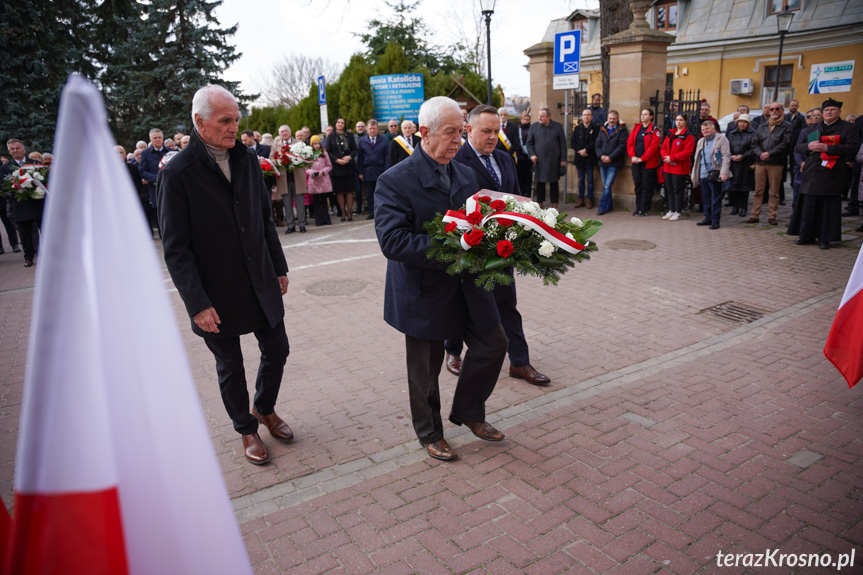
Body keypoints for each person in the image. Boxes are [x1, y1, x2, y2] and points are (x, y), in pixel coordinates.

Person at [158, 84, 292, 466]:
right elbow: (176, 249)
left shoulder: (248, 159)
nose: (234, 127)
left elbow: (264, 220)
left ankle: (265, 407)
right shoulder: (178, 173)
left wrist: (279, 267)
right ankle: (246, 428)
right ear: (199, 122)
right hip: (215, 291)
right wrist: (197, 304)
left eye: (236, 119)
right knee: (230, 366)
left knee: (278, 349)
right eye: (225, 121)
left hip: (259, 279)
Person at [374, 96, 508, 462]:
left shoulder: (465, 174)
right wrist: (454, 247)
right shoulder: (394, 180)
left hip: (468, 283)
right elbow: (393, 240)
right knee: (425, 369)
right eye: (450, 133)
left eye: (461, 133)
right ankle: (430, 432)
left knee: (494, 342)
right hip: (425, 290)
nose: (458, 142)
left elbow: (479, 220)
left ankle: (468, 410)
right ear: (423, 133)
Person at [446, 104, 550, 386]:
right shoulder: (456, 160)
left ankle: (519, 362)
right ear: (468, 130)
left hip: (502, 249)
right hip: (470, 248)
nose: (493, 136)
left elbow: (516, 199)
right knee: (462, 305)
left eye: (497, 130)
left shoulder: (505, 159)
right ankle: (453, 350)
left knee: (507, 305)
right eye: (486, 131)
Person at [787, 98, 861, 249]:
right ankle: (805, 235)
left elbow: (853, 148)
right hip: (811, 173)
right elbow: (798, 147)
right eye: (826, 110)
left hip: (832, 174)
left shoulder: (848, 128)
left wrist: (829, 149)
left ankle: (824, 238)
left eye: (832, 110)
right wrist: (809, 145)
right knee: (808, 206)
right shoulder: (812, 128)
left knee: (827, 208)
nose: (829, 112)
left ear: (839, 112)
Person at [747, 102, 792, 225]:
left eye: (777, 109)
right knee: (758, 190)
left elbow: (785, 143)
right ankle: (754, 215)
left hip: (776, 163)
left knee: (774, 191)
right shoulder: (762, 126)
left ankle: (772, 216)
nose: (774, 111)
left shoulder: (787, 126)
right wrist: (760, 153)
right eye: (772, 109)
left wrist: (770, 153)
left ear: (782, 110)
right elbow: (754, 143)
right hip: (760, 162)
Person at [691, 119, 730, 229]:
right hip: (703, 172)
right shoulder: (701, 141)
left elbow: (726, 156)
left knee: (715, 197)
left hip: (715, 172)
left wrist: (724, 172)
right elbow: (697, 159)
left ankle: (715, 220)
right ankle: (707, 217)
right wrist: (694, 174)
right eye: (703, 129)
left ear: (713, 128)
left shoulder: (721, 138)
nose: (705, 131)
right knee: (706, 198)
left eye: (707, 129)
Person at [526, 108, 567, 209]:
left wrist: (563, 159)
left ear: (548, 117)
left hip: (554, 159)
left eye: (542, 116)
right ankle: (540, 203)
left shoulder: (557, 126)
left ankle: (555, 204)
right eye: (539, 116)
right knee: (540, 183)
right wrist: (532, 155)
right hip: (539, 160)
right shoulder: (534, 127)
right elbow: (529, 143)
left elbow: (563, 144)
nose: (539, 118)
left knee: (554, 182)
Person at [627, 108, 662, 216]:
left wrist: (642, 158)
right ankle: (638, 208)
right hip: (636, 162)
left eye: (645, 114)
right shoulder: (637, 128)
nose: (643, 116)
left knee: (647, 186)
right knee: (638, 185)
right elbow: (630, 143)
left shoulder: (654, 131)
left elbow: (653, 147)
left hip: (648, 163)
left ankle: (645, 209)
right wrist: (633, 156)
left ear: (651, 116)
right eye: (642, 114)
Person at [660, 113, 695, 221]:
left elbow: (687, 152)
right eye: (677, 120)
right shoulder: (671, 134)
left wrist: (673, 158)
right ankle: (671, 209)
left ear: (685, 122)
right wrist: (666, 158)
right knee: (669, 189)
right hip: (668, 166)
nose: (678, 122)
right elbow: (663, 147)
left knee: (677, 190)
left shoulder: (688, 136)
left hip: (679, 168)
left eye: (681, 120)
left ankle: (677, 211)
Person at [0, 139, 31, 258]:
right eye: (12, 149)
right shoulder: (4, 168)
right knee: (23, 230)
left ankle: (15, 244)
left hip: (32, 202)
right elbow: (4, 184)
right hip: (16, 201)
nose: (15, 151)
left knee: (9, 224)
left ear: (24, 149)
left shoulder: (32, 163)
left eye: (17, 148)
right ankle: (27, 256)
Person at [594, 110, 629, 215]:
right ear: (607, 119)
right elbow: (597, 144)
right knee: (605, 185)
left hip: (614, 162)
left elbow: (622, 146)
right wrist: (601, 156)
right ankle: (609, 206)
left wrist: (610, 157)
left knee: (607, 185)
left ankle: (602, 207)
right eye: (610, 118)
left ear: (617, 119)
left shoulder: (622, 130)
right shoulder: (602, 129)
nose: (612, 120)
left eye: (614, 119)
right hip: (602, 162)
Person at [325, 117, 358, 221]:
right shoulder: (331, 137)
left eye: (342, 123)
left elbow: (355, 149)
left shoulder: (349, 136)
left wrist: (349, 157)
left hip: (348, 166)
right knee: (339, 191)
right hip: (337, 167)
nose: (340, 124)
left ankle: (349, 213)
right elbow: (328, 152)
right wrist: (337, 160)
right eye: (338, 122)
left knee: (349, 191)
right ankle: (342, 213)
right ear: (335, 124)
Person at [356, 119, 389, 221]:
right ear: (367, 129)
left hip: (380, 171)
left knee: (381, 193)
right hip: (367, 171)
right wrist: (360, 172)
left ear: (377, 129)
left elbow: (387, 157)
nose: (372, 130)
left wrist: (386, 171)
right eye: (370, 128)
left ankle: (382, 213)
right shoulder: (362, 141)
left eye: (374, 128)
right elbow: (360, 157)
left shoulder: (384, 140)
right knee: (369, 193)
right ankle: (372, 212)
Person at [138, 128, 168, 236]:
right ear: (150, 139)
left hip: (171, 188)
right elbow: (142, 171)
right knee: (160, 217)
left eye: (159, 137)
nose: (157, 140)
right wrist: (157, 178)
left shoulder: (170, 152)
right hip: (156, 190)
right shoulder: (146, 154)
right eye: (155, 138)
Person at [726, 114, 756, 218]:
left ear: (748, 124)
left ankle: (744, 208)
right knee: (734, 187)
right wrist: (731, 156)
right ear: (737, 123)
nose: (742, 124)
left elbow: (754, 148)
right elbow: (726, 147)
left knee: (744, 188)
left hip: (745, 164)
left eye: (744, 122)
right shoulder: (731, 134)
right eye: (740, 122)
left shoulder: (752, 134)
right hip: (733, 163)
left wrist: (743, 156)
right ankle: (735, 206)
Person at [570, 108, 599, 209]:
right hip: (579, 158)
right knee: (581, 179)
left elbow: (596, 142)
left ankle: (589, 200)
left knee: (590, 180)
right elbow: (573, 142)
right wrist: (579, 150)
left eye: (588, 115)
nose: (586, 116)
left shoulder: (596, 128)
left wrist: (586, 150)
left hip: (590, 157)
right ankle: (581, 199)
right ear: (582, 117)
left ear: (591, 117)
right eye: (584, 115)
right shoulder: (578, 128)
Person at [305, 135, 334, 227]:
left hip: (323, 179)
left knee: (324, 201)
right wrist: (312, 173)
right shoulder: (308, 154)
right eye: (314, 144)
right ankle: (319, 220)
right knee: (316, 201)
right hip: (314, 180)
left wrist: (323, 171)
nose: (317, 145)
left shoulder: (324, 153)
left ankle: (326, 218)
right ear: (311, 145)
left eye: (318, 143)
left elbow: (329, 166)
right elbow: (306, 168)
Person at [515, 113, 533, 195]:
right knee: (519, 176)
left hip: (529, 156)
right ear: (521, 120)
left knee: (528, 175)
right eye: (524, 119)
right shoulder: (517, 128)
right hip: (519, 155)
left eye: (527, 120)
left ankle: (527, 192)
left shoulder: (532, 128)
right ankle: (521, 192)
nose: (525, 121)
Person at [353, 121, 367, 215]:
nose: (360, 128)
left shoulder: (368, 137)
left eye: (362, 126)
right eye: (359, 126)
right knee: (358, 190)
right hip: (355, 168)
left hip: (367, 167)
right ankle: (359, 208)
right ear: (356, 128)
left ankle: (370, 207)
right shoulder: (353, 138)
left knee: (369, 190)